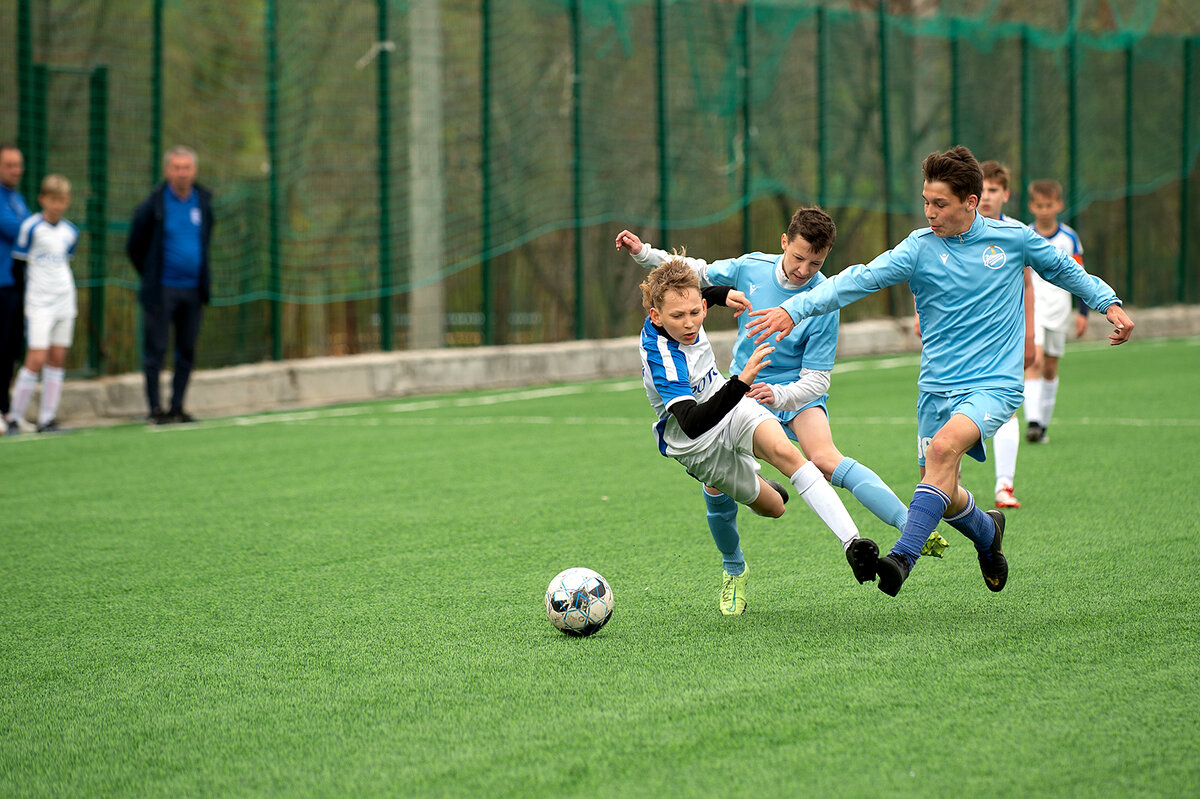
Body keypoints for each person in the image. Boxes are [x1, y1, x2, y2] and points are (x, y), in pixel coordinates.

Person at [745, 145, 1134, 597]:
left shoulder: (1013, 240)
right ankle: (988, 535)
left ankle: (902, 558)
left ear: (971, 201)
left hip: (994, 383)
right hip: (937, 389)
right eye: (926, 201)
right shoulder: (917, 248)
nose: (929, 212)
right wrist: (796, 309)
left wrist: (1108, 302)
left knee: (944, 451)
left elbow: (1064, 269)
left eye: (940, 203)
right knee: (945, 495)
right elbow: (857, 279)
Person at [617, 207, 947, 594]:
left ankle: (894, 533)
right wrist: (646, 254)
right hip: (714, 413)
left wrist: (778, 392)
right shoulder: (737, 281)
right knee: (771, 506)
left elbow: (818, 379)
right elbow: (694, 276)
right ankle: (734, 568)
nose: (804, 270)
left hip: (781, 394)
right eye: (798, 258)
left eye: (816, 263)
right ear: (784, 243)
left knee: (817, 459)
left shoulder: (823, 297)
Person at [639, 256, 880, 615]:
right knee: (774, 507)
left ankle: (851, 541)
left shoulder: (688, 305)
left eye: (695, 312)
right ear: (657, 317)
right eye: (678, 317)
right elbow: (692, 421)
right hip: (695, 442)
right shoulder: (661, 355)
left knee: (788, 454)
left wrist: (725, 294)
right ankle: (735, 568)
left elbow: (699, 294)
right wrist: (741, 381)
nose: (689, 323)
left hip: (729, 403)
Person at [126, 145, 214, 424]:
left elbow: (206, 237)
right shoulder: (153, 204)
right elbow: (134, 246)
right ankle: (155, 409)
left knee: (187, 350)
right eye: (176, 168)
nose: (182, 173)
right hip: (162, 289)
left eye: (186, 168)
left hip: (193, 289)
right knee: (156, 350)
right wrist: (151, 274)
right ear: (167, 171)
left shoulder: (202, 201)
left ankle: (178, 406)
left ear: (194, 171)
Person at [977, 160, 1035, 509]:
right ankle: (948, 487)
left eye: (993, 190)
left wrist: (1029, 336)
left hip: (1005, 337)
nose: (986, 197)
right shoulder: (957, 228)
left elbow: (1028, 285)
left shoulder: (1015, 234)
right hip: (964, 337)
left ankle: (1004, 486)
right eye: (980, 189)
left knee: (1006, 408)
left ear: (1006, 194)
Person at [3, 175, 78, 434]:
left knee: (57, 358)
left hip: (65, 299)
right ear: (42, 199)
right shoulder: (30, 228)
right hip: (39, 301)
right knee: (36, 357)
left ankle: (47, 419)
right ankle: (14, 417)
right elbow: (18, 264)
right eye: (52, 200)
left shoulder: (71, 232)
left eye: (62, 200)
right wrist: (31, 296)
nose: (57, 205)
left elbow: (65, 261)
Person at [1023, 179, 1090, 444]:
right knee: (1034, 361)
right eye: (1039, 205)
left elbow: (1080, 276)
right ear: (1031, 207)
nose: (1044, 210)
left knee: (1050, 368)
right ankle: (1033, 423)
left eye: (1049, 205)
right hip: (1034, 307)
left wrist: (1083, 313)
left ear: (1059, 205)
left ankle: (1043, 426)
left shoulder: (1069, 238)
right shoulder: (1025, 234)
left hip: (1060, 309)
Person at [0, 144, 30, 434]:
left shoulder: (16, 197)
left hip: (15, 284)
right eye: (9, 165)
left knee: (10, 349)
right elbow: (21, 230)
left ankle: (6, 409)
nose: (16, 170)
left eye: (18, 164)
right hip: (1, 283)